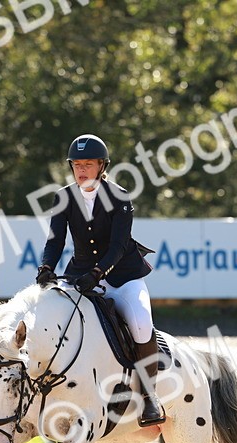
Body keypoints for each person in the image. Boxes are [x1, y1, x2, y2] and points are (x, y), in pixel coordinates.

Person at [37, 133, 164, 427]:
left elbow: (119, 246)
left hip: (122, 276)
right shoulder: (64, 197)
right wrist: (46, 266)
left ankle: (149, 396)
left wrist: (98, 273)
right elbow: (55, 240)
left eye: (88, 164)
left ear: (101, 166)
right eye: (76, 164)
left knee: (142, 323)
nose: (81, 170)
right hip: (80, 273)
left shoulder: (119, 196)